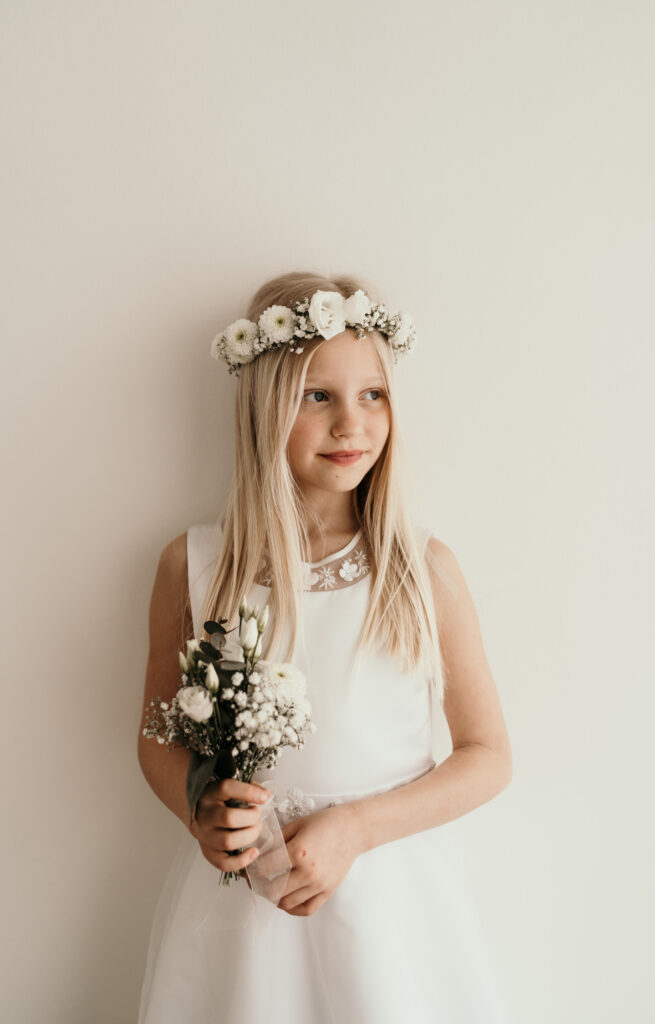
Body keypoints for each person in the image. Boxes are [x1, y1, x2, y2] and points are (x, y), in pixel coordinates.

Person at [136, 270, 514, 1023]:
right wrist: (202, 810)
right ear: (264, 406)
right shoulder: (197, 566)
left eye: (372, 394)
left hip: (387, 901)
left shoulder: (421, 568)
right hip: (247, 896)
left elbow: (488, 754)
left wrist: (356, 829)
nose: (351, 424)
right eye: (318, 396)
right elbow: (157, 737)